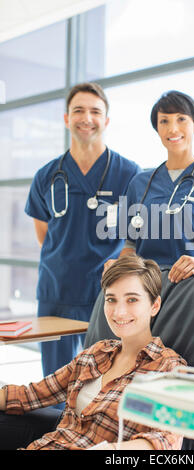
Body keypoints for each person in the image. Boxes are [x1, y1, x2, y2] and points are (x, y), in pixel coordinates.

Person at [0, 256, 186, 450]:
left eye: (132, 299)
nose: (119, 312)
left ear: (154, 305)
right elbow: (31, 394)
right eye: (111, 299)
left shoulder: (168, 368)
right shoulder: (96, 353)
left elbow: (167, 440)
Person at [25, 82, 140, 379]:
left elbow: (137, 237)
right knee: (55, 381)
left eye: (94, 111)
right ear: (66, 119)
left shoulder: (129, 174)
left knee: (107, 380)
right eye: (78, 110)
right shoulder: (47, 176)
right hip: (57, 293)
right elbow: (44, 235)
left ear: (106, 120)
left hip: (108, 294)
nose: (86, 118)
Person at [104, 90, 194, 283]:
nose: (172, 129)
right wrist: (121, 266)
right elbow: (130, 244)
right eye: (164, 121)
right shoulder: (139, 183)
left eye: (181, 119)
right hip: (148, 290)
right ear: (157, 129)